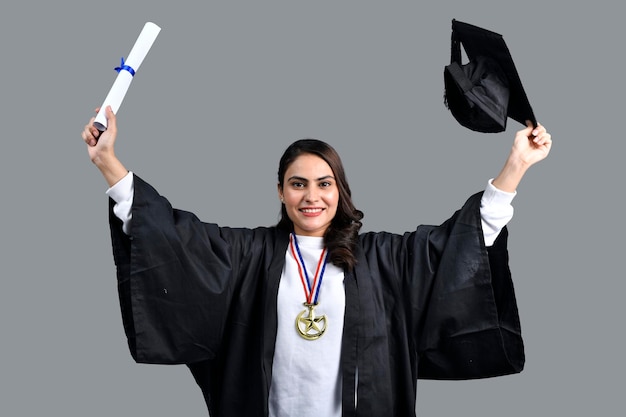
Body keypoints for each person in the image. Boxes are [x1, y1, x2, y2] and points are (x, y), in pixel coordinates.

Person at [82, 105, 551, 417]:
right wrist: (108, 163)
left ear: (340, 191)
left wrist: (515, 167)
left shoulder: (383, 259)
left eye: (324, 183)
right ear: (281, 192)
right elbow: (171, 239)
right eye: (298, 183)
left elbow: (457, 245)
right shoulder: (248, 254)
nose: (312, 196)